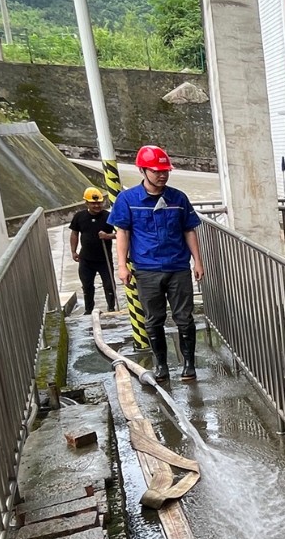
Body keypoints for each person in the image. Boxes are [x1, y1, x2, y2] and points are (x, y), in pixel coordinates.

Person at [110, 145, 204, 382]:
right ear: (142, 171)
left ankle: (189, 365)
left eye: (165, 171)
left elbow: (189, 230)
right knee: (153, 319)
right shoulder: (128, 199)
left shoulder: (178, 198)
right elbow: (123, 233)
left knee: (184, 317)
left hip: (178, 267)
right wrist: (122, 265)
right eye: (156, 171)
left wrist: (198, 261)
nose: (162, 175)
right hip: (147, 269)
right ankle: (161, 365)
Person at [68, 187, 117, 315]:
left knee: (109, 285)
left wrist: (107, 236)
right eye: (93, 203)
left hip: (104, 259)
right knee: (87, 286)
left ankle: (111, 308)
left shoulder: (108, 216)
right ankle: (88, 310)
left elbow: (121, 233)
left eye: (99, 203)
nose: (97, 206)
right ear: (87, 203)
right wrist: (73, 251)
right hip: (86, 259)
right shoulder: (79, 217)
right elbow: (74, 234)